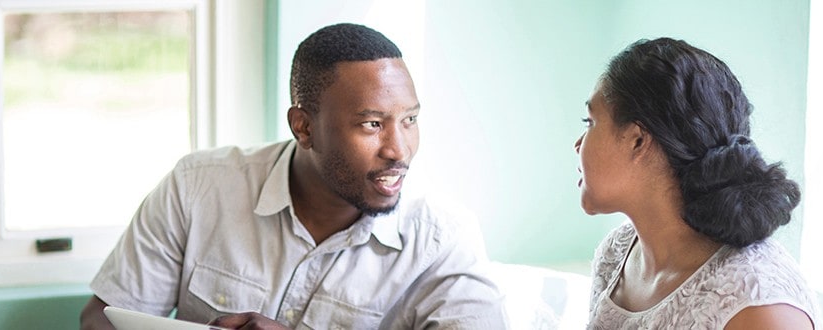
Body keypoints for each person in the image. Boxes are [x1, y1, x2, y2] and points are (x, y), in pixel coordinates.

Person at [80, 23, 507, 329]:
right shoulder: (197, 187)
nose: (399, 149)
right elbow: (103, 317)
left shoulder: (443, 238)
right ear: (303, 127)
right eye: (372, 124)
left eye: (410, 119)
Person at [575, 37, 823, 329]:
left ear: (637, 140)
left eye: (589, 122)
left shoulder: (758, 306)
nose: (578, 144)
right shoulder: (616, 253)